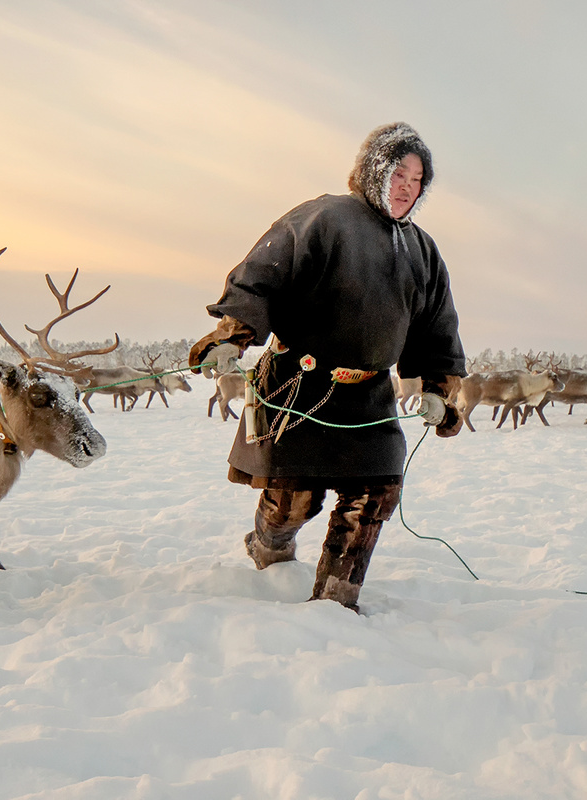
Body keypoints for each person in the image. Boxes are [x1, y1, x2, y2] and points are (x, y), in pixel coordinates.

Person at [189, 122, 466, 611]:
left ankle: (337, 603)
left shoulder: (423, 250)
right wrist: (232, 336)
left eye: (418, 179)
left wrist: (440, 387)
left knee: (376, 493)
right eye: (398, 172)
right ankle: (270, 545)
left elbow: (436, 326)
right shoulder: (324, 217)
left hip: (369, 397)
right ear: (374, 169)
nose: (407, 186)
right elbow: (263, 275)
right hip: (300, 386)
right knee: (297, 500)